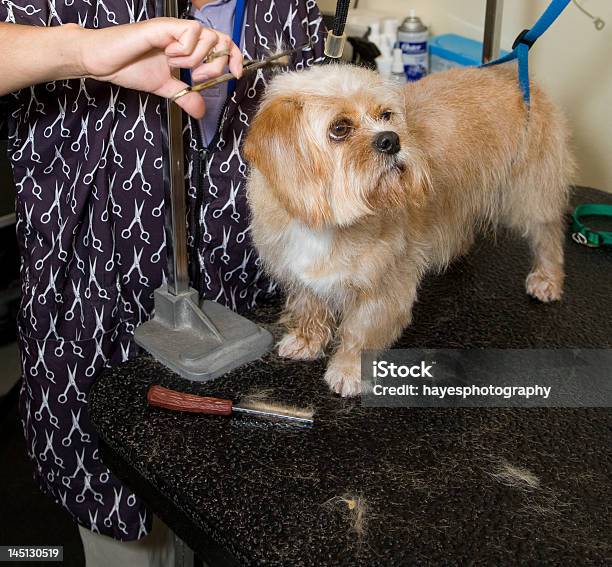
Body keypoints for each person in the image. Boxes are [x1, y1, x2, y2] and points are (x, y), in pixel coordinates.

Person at [0, 0, 325, 564]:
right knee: (135, 546)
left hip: (255, 335)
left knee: (240, 528)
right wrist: (79, 50)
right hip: (94, 334)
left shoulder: (290, 12)